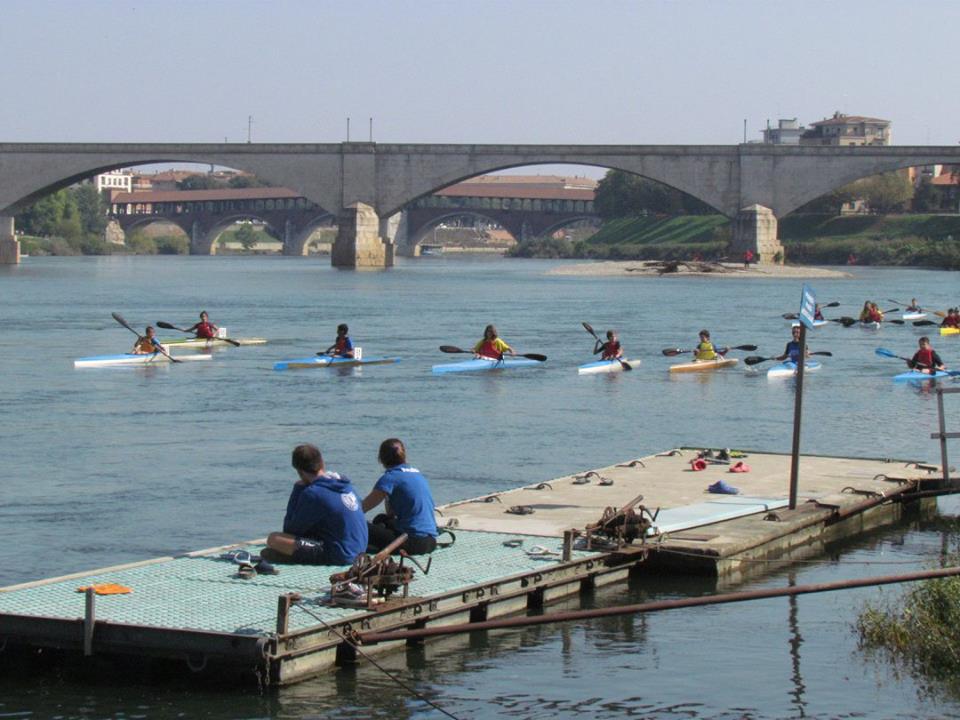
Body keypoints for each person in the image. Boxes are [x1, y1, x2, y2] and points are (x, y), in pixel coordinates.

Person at [264, 444, 368, 565]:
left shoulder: (313, 493)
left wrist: (297, 488)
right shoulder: (346, 485)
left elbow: (289, 531)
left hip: (340, 556)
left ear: (299, 471)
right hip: (360, 551)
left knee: (275, 539)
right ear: (322, 463)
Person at [362, 438, 438, 556]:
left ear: (381, 459)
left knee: (362, 526)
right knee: (381, 519)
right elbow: (390, 515)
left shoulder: (390, 478)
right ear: (404, 456)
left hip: (411, 543)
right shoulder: (417, 474)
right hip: (431, 541)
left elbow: (362, 508)